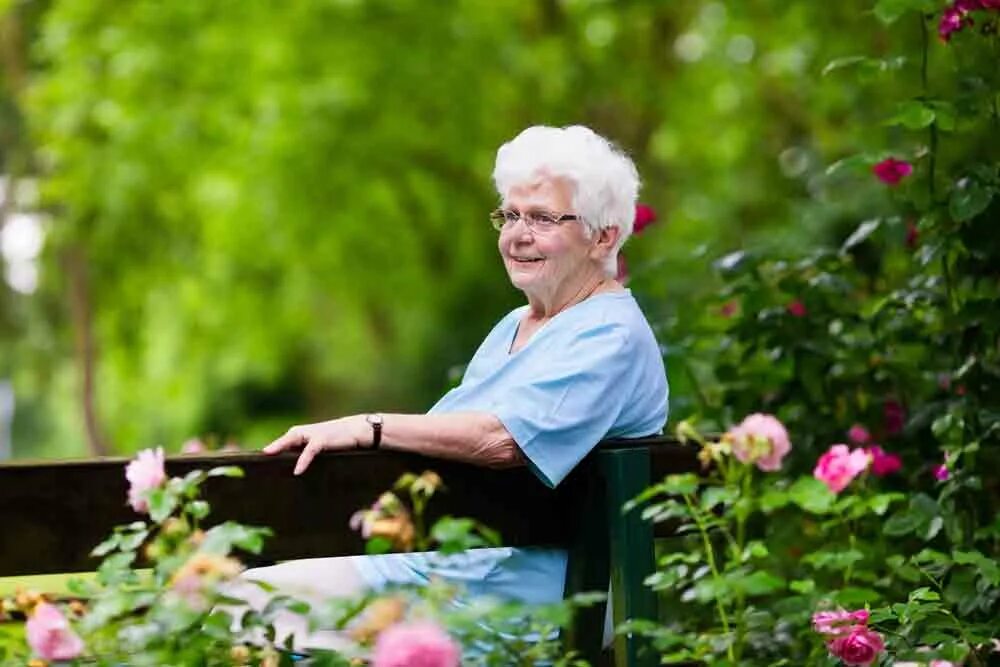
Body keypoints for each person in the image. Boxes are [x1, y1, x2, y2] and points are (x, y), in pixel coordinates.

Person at [249, 124, 669, 643]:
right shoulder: (514, 326)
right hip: (457, 568)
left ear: (603, 236)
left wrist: (368, 426)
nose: (518, 234)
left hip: (535, 596)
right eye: (510, 215)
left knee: (250, 607)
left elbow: (501, 440)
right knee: (244, 601)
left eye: (542, 218)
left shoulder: (610, 335)